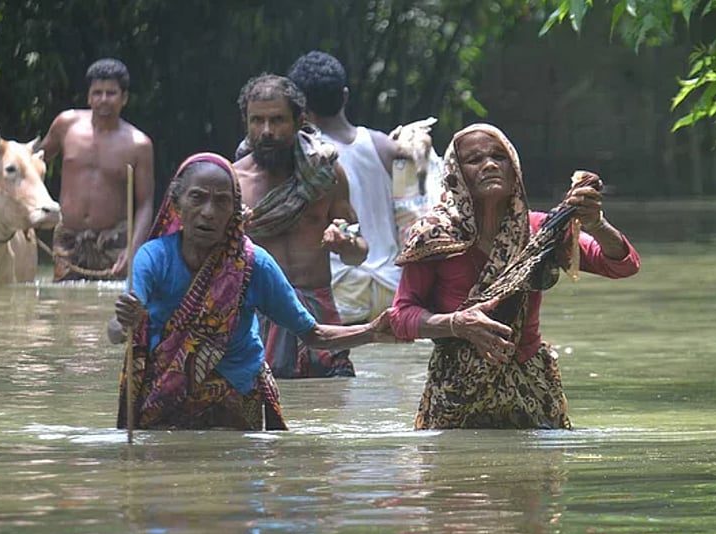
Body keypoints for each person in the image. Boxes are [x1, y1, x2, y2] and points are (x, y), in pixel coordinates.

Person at [108, 153, 395, 431]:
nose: (208, 212)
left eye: (221, 201)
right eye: (197, 197)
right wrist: (125, 322)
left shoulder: (253, 264)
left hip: (233, 403)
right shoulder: (153, 258)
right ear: (176, 205)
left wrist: (371, 331)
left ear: (234, 210)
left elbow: (313, 334)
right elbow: (117, 329)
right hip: (163, 400)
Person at [388, 124, 642, 430]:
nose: (490, 165)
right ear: (456, 174)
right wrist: (457, 324)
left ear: (515, 169)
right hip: (456, 388)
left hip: (531, 386)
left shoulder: (539, 232)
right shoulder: (434, 237)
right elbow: (401, 317)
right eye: (475, 160)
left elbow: (622, 265)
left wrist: (596, 223)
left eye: (499, 156)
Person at [232, 73, 368, 378]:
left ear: (299, 120)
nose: (266, 131)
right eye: (257, 121)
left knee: (332, 413)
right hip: (257, 323)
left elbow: (359, 253)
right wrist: (233, 231)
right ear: (246, 123)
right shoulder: (232, 184)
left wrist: (344, 242)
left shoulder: (325, 176)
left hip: (320, 321)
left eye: (278, 120)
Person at [287, 51, 426, 324]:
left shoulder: (305, 156)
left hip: (342, 289)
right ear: (345, 95)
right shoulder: (384, 145)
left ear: (299, 110)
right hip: (391, 288)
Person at [38, 58, 155, 281]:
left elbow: (145, 204)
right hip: (68, 240)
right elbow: (34, 164)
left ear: (124, 98)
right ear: (88, 97)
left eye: (111, 93)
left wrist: (133, 248)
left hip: (114, 243)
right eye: (97, 92)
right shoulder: (66, 125)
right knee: (64, 308)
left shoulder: (139, 145)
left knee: (110, 308)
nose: (103, 100)